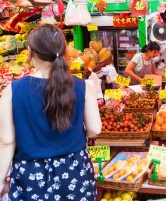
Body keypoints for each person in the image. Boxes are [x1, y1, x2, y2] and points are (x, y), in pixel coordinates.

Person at [0, 24, 101, 200]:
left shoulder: (12, 90)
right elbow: (95, 129)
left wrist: (1, 180)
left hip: (31, 175)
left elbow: (7, 141)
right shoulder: (84, 86)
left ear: (31, 51)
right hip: (74, 170)